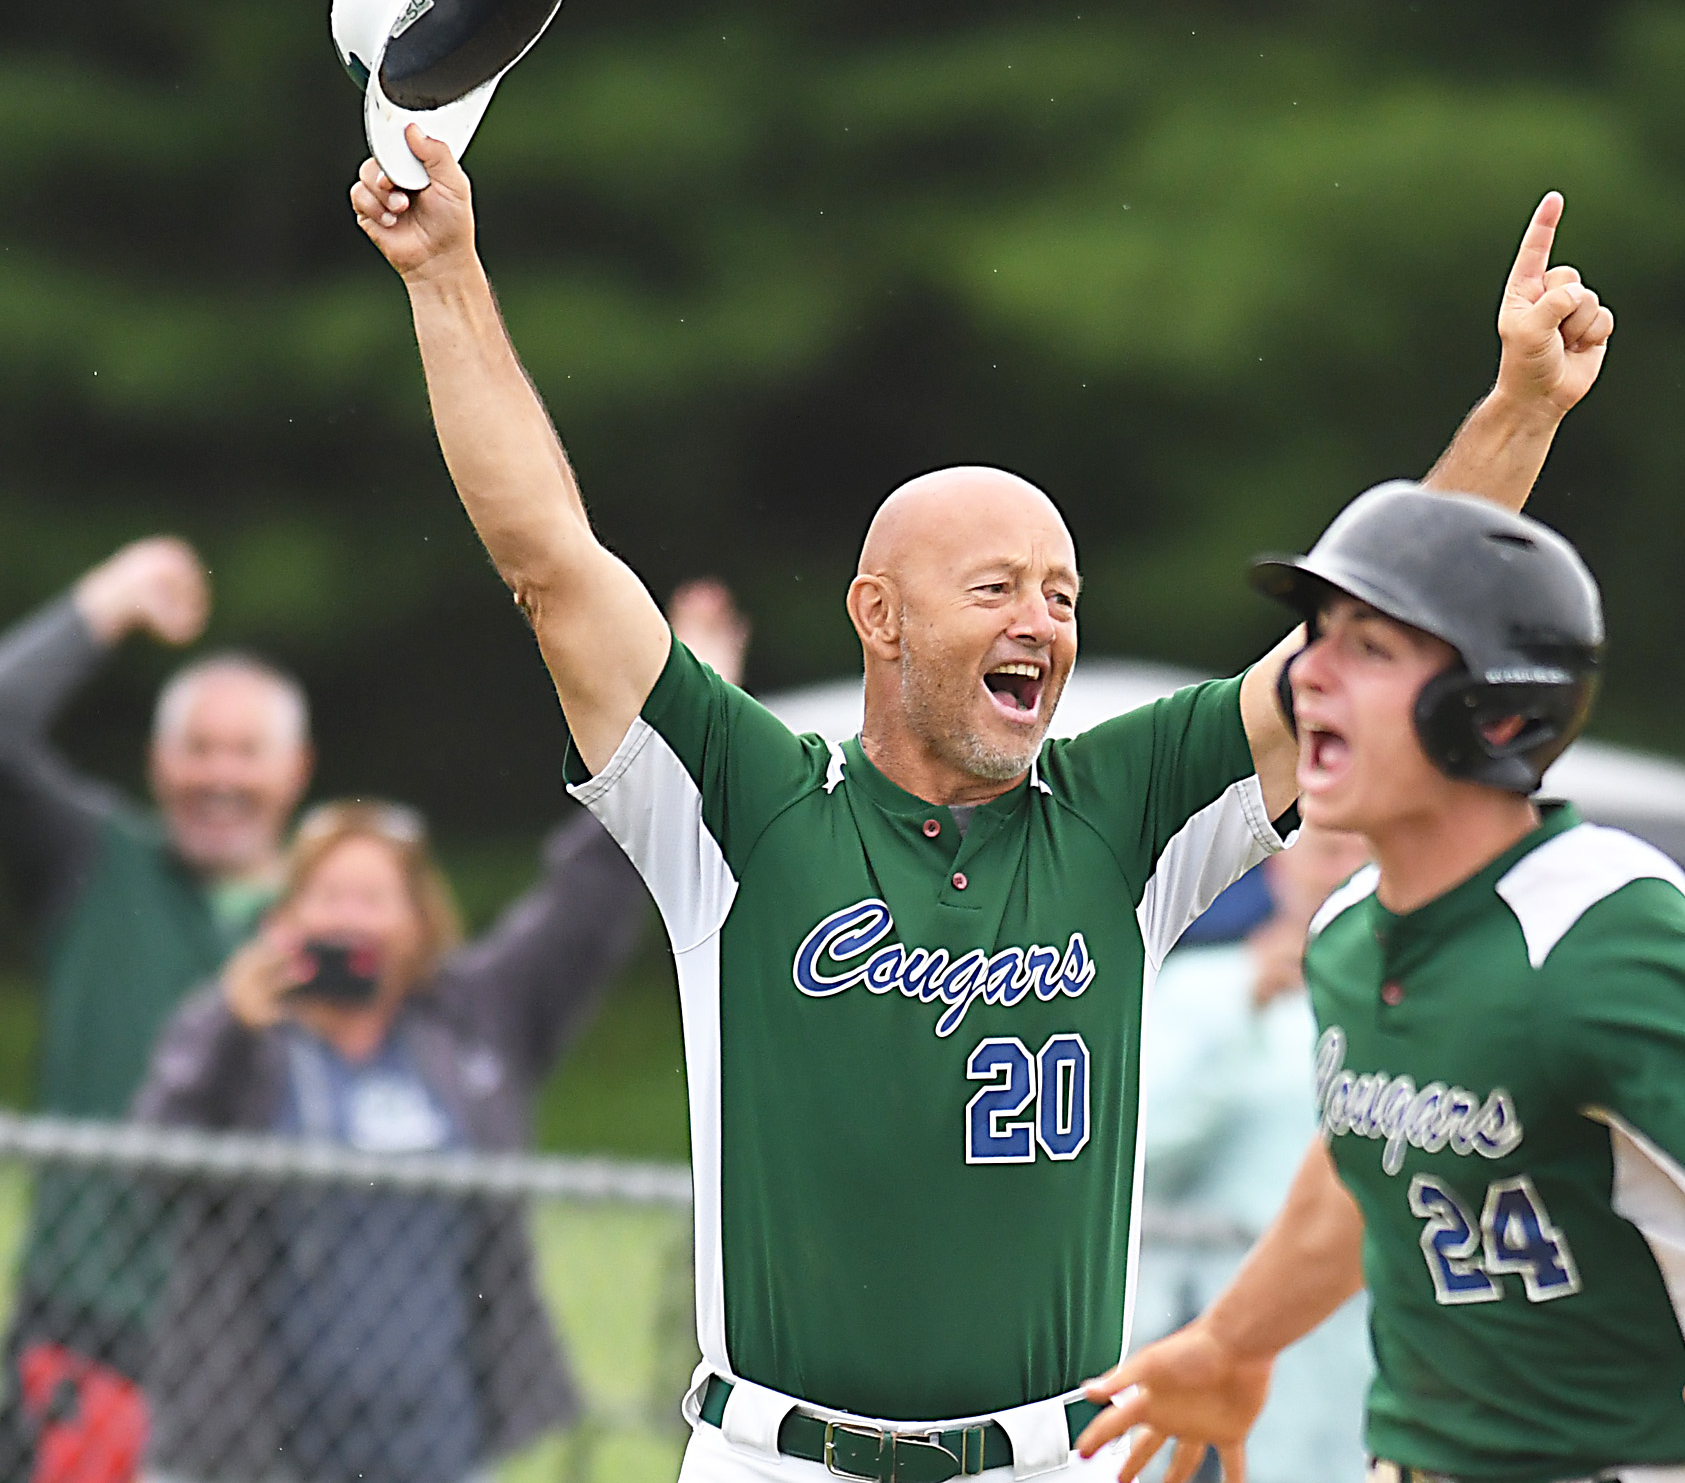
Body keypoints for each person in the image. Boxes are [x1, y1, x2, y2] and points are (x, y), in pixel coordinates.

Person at [348, 122, 1614, 1482]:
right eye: (997, 587)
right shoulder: (749, 802)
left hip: (1052, 1460)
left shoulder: (1124, 812)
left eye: (1063, 593)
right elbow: (550, 560)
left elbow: (1379, 638)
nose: (1043, 620)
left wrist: (1522, 408)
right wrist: (446, 274)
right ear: (877, 618)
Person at [1077, 485, 1685, 1483]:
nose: (1309, 671)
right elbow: (1361, 1164)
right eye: (1317, 635)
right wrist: (1235, 1341)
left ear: (1496, 714)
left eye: (1369, 648)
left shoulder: (1594, 928)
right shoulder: (1348, 936)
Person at [132, 793, 646, 1483]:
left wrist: (656, 747)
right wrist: (231, 1029)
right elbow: (155, 1168)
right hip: (252, 1454)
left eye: (375, 897)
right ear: (285, 915)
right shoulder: (238, 1032)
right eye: (329, 894)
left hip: (437, 1448)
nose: (350, 917)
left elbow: (585, 904)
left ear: (419, 920)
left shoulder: (474, 1022)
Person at [0, 537, 312, 1475]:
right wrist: (109, 600)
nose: (219, 776)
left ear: (295, 770)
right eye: (197, 749)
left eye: (245, 752)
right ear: (155, 762)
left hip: (266, 1355)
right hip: (85, 1333)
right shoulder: (97, 863)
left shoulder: (338, 915)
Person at [1134, 826, 1376, 1483]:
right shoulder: (1196, 985)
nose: (1341, 870)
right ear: (1277, 872)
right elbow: (1141, 1147)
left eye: (1363, 854)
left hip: (1335, 1324)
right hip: (1182, 1304)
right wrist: (1247, 1003)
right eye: (1326, 852)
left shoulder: (1396, 1004)